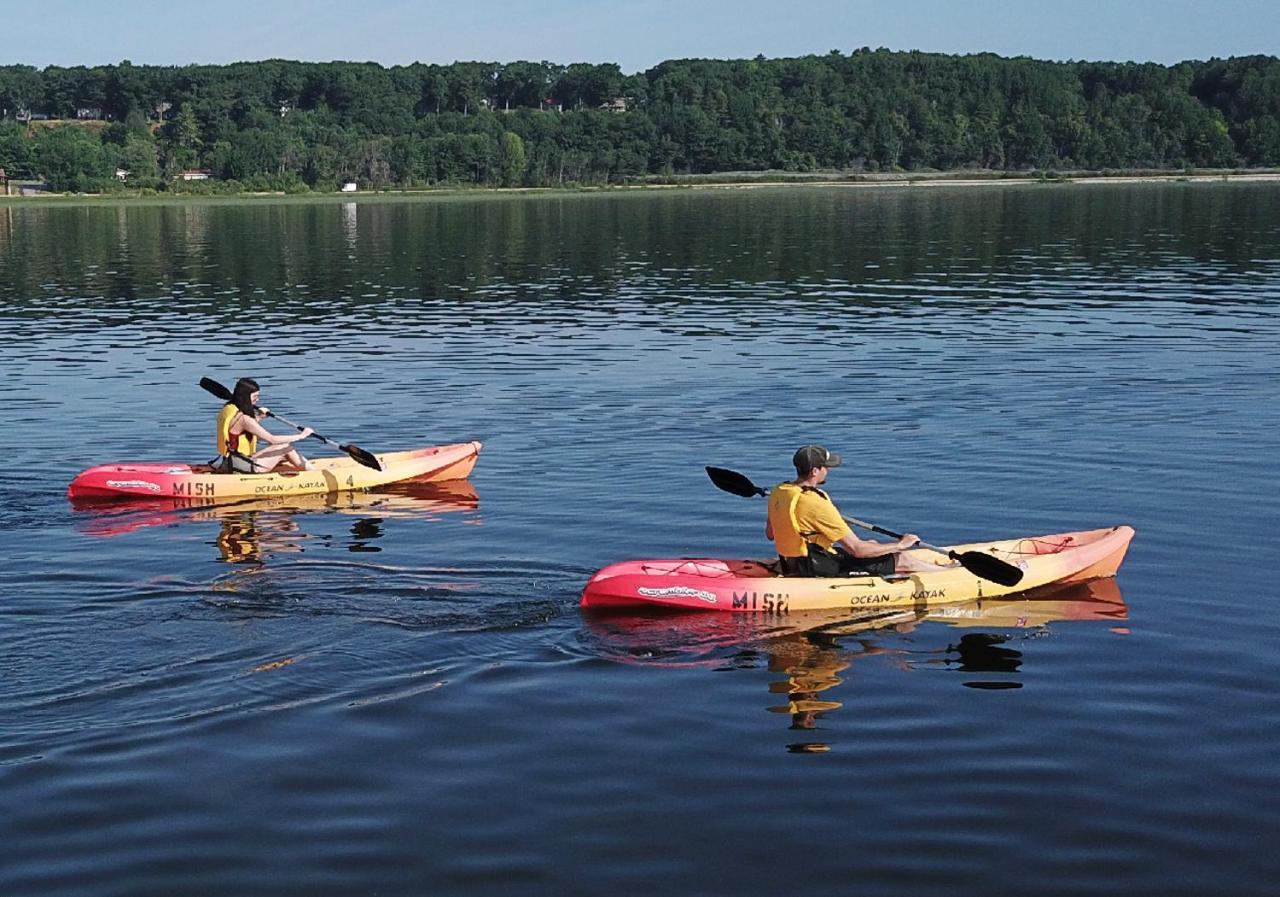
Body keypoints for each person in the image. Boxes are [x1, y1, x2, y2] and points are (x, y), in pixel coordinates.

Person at [765, 444, 919, 577]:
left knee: (872, 543)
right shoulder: (815, 502)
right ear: (814, 471)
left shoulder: (780, 492)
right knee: (903, 559)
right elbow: (857, 550)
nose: (828, 470)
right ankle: (943, 577)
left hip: (791, 563)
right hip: (818, 568)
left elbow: (770, 534)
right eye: (825, 467)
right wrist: (901, 544)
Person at [214, 377, 315, 473]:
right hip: (239, 465)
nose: (257, 399)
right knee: (287, 448)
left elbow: (241, 429)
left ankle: (309, 470)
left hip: (230, 461)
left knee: (282, 446)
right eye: (255, 396)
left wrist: (260, 417)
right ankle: (315, 474)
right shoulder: (244, 419)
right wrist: (301, 436)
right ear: (245, 397)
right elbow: (272, 439)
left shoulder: (229, 410)